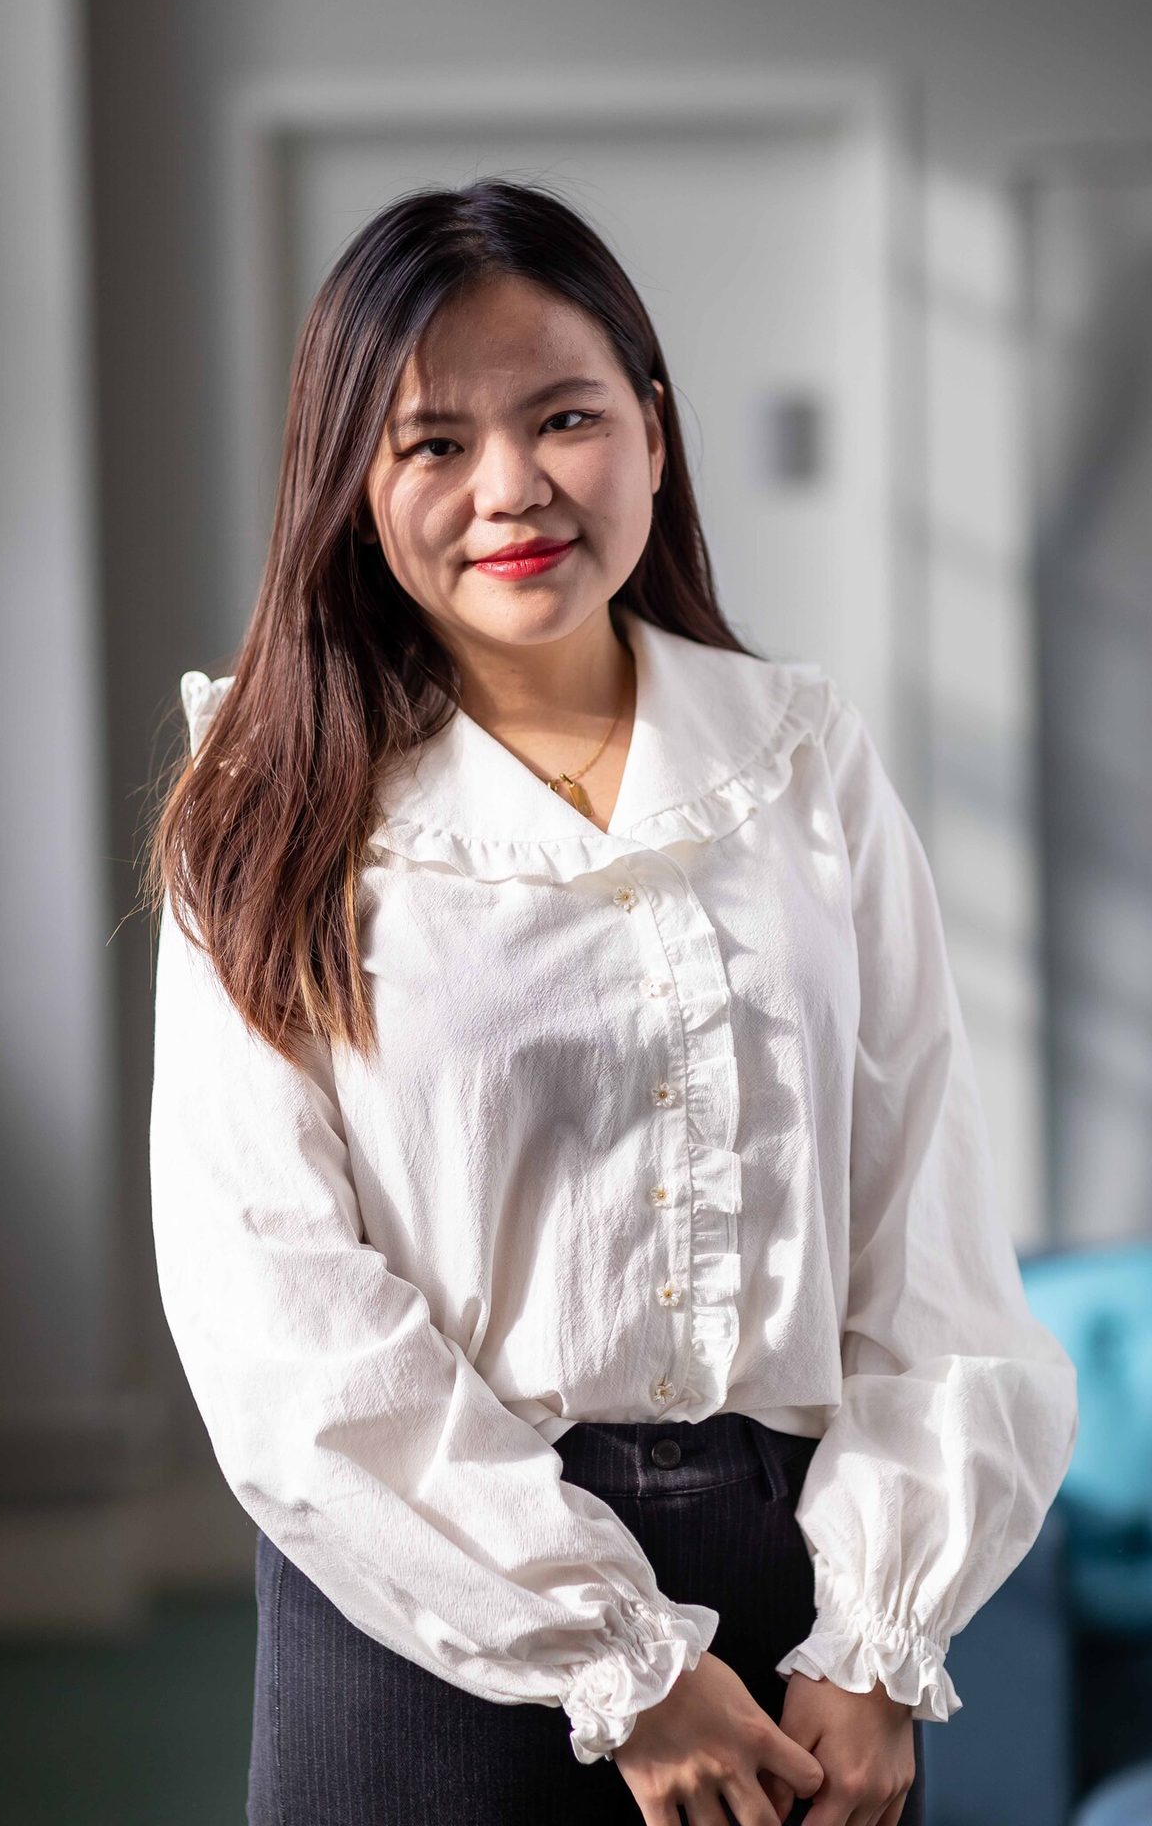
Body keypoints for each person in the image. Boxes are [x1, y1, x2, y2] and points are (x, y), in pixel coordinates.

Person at [143, 178, 1079, 1826]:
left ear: (652, 426)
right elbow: (271, 1304)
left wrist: (878, 1644)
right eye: (433, 443)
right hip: (423, 1603)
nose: (511, 487)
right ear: (351, 482)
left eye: (564, 418)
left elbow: (923, 1229)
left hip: (810, 1604)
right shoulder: (265, 797)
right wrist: (622, 1662)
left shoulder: (801, 758)